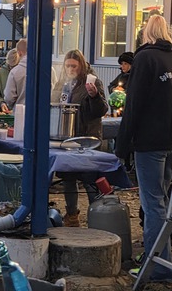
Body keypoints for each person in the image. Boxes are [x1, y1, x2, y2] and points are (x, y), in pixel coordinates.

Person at [115, 15, 172, 282]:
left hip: (150, 141)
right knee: (163, 201)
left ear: (145, 35)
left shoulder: (145, 59)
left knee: (152, 203)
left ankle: (158, 266)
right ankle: (161, 259)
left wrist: (121, 147)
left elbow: (134, 105)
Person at [50, 50, 109, 226]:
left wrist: (94, 96)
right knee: (68, 178)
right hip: (66, 138)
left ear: (81, 66)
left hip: (87, 138)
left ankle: (96, 216)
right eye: (67, 65)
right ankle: (72, 215)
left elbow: (101, 110)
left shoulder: (92, 81)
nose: (70, 69)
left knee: (89, 179)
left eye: (73, 66)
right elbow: (54, 102)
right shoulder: (63, 82)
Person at [3, 38, 28, 109]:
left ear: (19, 53)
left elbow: (9, 97)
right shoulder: (50, 70)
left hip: (20, 112)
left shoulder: (15, 72)